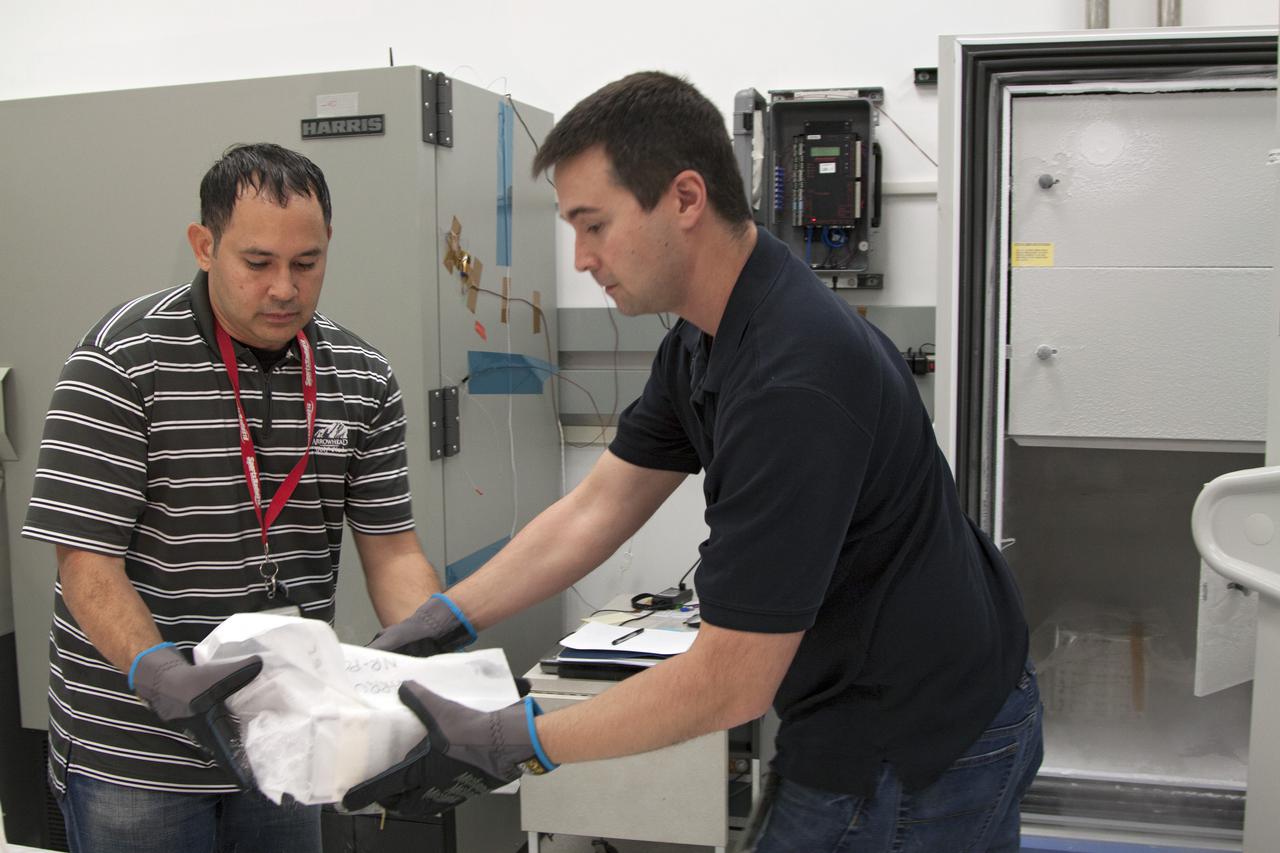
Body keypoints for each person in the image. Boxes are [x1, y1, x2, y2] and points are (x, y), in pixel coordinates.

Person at [345, 72, 1043, 852]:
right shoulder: (704, 334)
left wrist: (514, 737)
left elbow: (731, 679)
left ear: (684, 199)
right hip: (850, 698)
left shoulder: (796, 377)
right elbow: (598, 506)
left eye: (593, 225)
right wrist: (440, 620)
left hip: (919, 734)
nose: (579, 259)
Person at [22, 143, 441, 853]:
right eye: (258, 263)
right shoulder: (122, 362)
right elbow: (86, 561)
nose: (285, 288)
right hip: (138, 750)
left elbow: (394, 552)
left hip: (286, 730)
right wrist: (160, 675)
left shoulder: (362, 376)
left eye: (306, 263)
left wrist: (430, 669)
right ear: (204, 245)